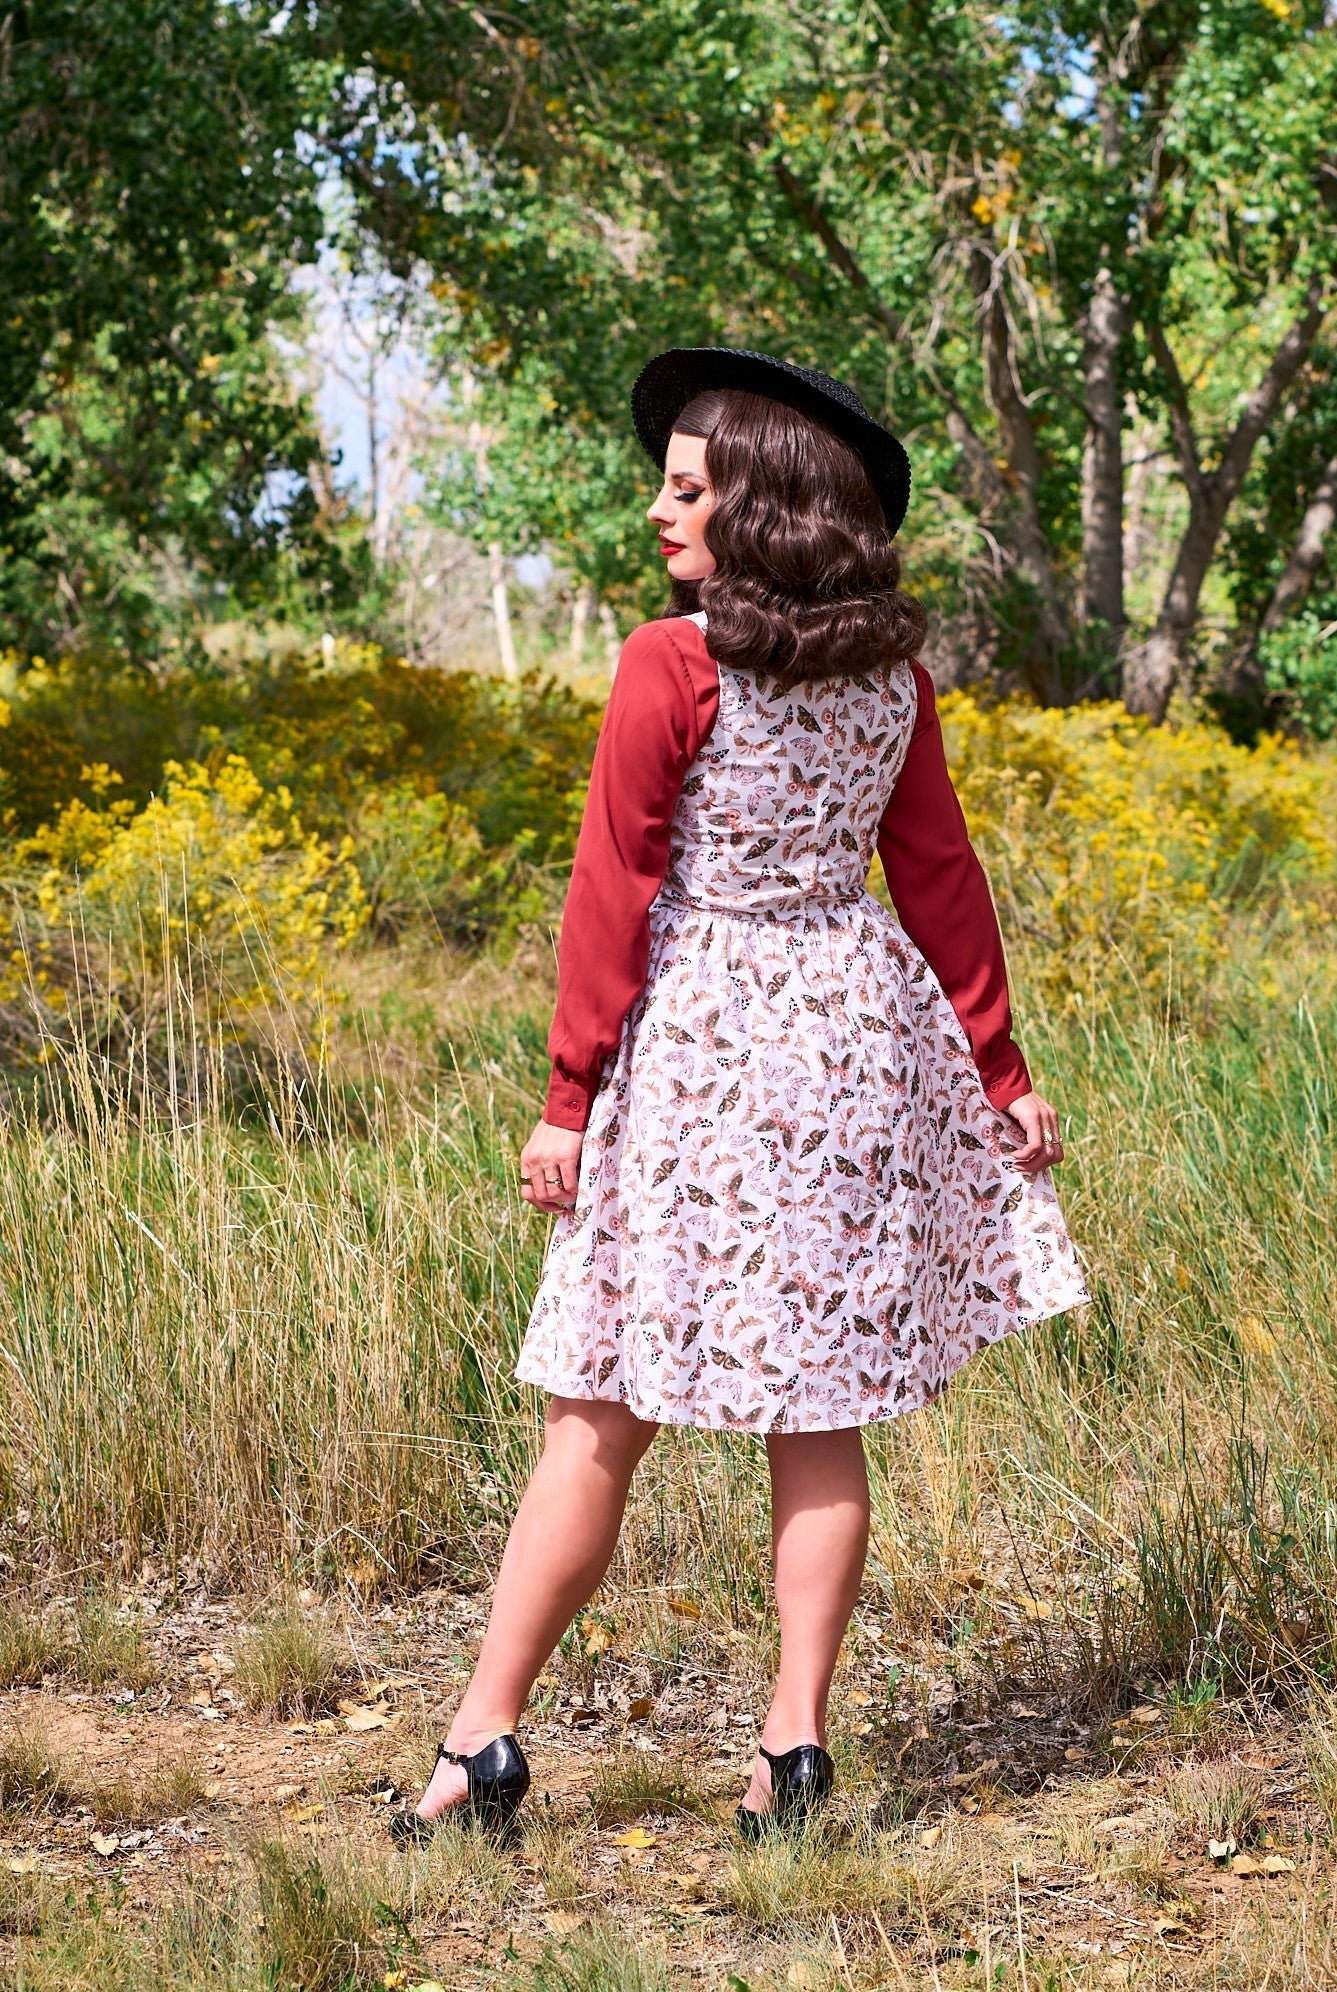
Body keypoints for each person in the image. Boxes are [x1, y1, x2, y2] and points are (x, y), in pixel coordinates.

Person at [393, 349, 1088, 1846]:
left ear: (758, 503)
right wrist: (999, 1070)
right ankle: (792, 1752)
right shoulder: (888, 674)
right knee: (820, 1418)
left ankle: (480, 1745)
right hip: (848, 1043)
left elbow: (615, 888)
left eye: (686, 487)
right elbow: (940, 879)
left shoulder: (674, 659)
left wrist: (567, 1096)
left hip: (705, 1047)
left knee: (597, 1408)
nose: (659, 510)